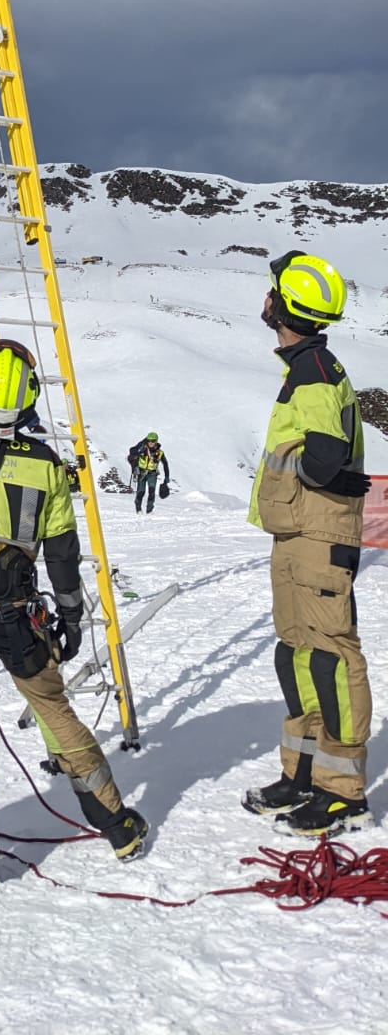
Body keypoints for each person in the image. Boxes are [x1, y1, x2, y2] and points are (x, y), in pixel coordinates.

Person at [0, 340, 148, 892]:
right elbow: (61, 553)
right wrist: (69, 616)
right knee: (54, 712)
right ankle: (116, 825)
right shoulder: (45, 467)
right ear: (30, 397)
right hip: (16, 616)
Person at [243, 252, 372, 836]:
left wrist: (292, 473)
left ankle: (342, 790)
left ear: (283, 306)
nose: (265, 298)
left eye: (273, 291)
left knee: (331, 658)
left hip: (319, 534)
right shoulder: (305, 368)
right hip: (298, 533)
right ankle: (302, 774)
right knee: (294, 653)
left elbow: (323, 461)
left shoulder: (316, 372)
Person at [127, 432, 171, 515]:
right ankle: (138, 509)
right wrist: (139, 448)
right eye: (149, 440)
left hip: (152, 473)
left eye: (153, 441)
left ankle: (149, 510)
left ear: (156, 441)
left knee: (151, 491)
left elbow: (165, 463)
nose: (150, 442)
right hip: (141, 472)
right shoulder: (142, 448)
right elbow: (131, 451)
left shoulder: (160, 453)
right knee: (141, 492)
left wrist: (167, 476)